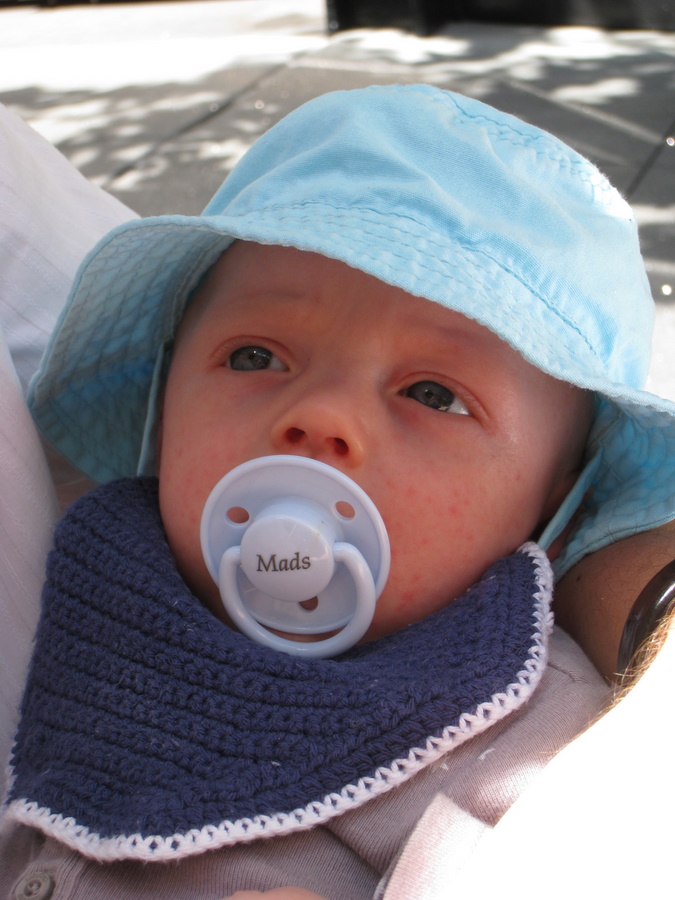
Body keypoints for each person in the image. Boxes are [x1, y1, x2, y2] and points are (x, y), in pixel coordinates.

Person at [1, 84, 674, 899]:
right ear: (163, 397)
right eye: (254, 356)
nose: (320, 415)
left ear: (558, 509)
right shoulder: (98, 566)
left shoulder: (526, 737)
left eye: (433, 394)